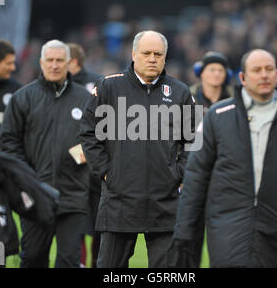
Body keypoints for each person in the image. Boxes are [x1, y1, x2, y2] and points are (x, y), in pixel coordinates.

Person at [172, 49, 277, 267]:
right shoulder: (218, 117)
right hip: (225, 227)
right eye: (256, 70)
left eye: (269, 69)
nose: (264, 75)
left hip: (275, 227)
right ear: (242, 78)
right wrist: (184, 229)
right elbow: (196, 175)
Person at [79, 30, 196, 268]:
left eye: (158, 54)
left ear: (165, 57)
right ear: (134, 54)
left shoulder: (180, 92)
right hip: (119, 200)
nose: (152, 58)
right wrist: (106, 172)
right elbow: (89, 132)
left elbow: (193, 142)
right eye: (146, 53)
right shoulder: (109, 87)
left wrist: (178, 173)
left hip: (165, 202)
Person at [0, 39, 91, 268]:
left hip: (73, 194)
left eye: (60, 60)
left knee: (69, 260)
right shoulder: (22, 98)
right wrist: (27, 177)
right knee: (32, 258)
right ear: (41, 63)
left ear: (69, 63)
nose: (54, 65)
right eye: (49, 60)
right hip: (35, 195)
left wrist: (82, 155)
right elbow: (8, 142)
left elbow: (101, 139)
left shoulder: (87, 99)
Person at [187, 51, 233, 267]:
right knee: (190, 242)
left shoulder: (237, 102)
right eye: (211, 69)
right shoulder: (186, 99)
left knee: (224, 244)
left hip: (226, 179)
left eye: (220, 70)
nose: (216, 74)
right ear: (201, 73)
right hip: (193, 177)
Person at [67, 42, 103, 268]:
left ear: (72, 62)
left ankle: (94, 263)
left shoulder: (98, 85)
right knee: (77, 221)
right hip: (75, 166)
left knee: (97, 222)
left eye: (61, 61)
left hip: (93, 167)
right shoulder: (58, 86)